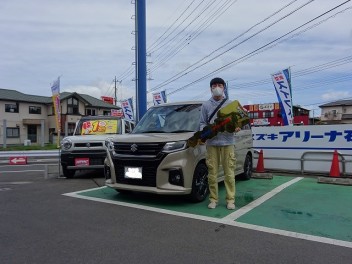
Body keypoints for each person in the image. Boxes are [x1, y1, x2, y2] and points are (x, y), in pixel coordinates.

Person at [199, 77, 241, 210]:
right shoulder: (205, 105)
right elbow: (202, 123)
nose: (217, 87)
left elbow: (238, 121)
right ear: (211, 88)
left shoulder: (231, 103)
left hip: (228, 142)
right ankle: (213, 199)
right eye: (214, 85)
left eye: (220, 85)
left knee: (229, 173)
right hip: (212, 144)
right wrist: (205, 132)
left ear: (224, 88)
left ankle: (230, 199)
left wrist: (237, 126)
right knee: (212, 173)